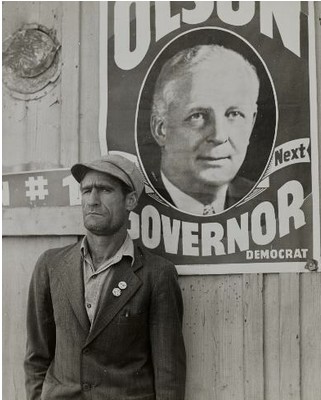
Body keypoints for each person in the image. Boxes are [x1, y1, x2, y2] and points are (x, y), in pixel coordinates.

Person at [24, 153, 186, 400]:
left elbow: (169, 373)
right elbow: (37, 357)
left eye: (104, 190)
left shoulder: (157, 273)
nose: (92, 200)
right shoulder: (51, 265)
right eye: (86, 190)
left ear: (130, 200)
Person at [150, 44, 260, 215]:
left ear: (251, 123)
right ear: (161, 129)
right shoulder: (128, 203)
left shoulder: (267, 201)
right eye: (197, 116)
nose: (219, 135)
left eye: (234, 114)